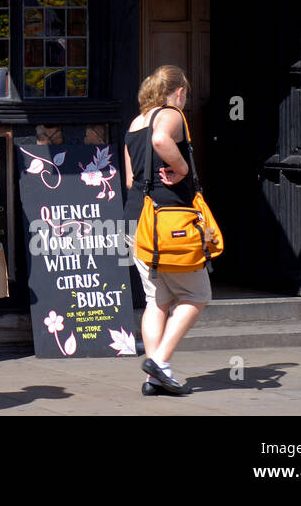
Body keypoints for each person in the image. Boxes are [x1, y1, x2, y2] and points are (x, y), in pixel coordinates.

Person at [123, 65, 208, 396]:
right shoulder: (171, 115)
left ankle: (154, 378)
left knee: (155, 299)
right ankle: (159, 361)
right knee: (197, 294)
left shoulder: (135, 122)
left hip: (138, 218)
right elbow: (161, 140)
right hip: (168, 218)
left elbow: (131, 177)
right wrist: (183, 167)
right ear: (180, 92)